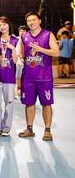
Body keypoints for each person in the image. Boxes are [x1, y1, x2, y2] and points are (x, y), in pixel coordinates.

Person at [18, 12, 60, 141]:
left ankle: (47, 130)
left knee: (46, 104)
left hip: (44, 78)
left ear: (39, 21)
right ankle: (29, 129)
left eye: (34, 20)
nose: (31, 22)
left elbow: (56, 52)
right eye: (29, 21)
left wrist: (40, 49)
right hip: (28, 78)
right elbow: (23, 56)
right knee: (29, 104)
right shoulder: (24, 36)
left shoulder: (48, 34)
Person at [0, 16, 19, 136]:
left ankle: (7, 127)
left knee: (9, 102)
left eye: (4, 24)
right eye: (0, 25)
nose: (2, 27)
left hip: (9, 76)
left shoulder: (16, 41)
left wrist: (12, 48)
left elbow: (16, 60)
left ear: (9, 25)